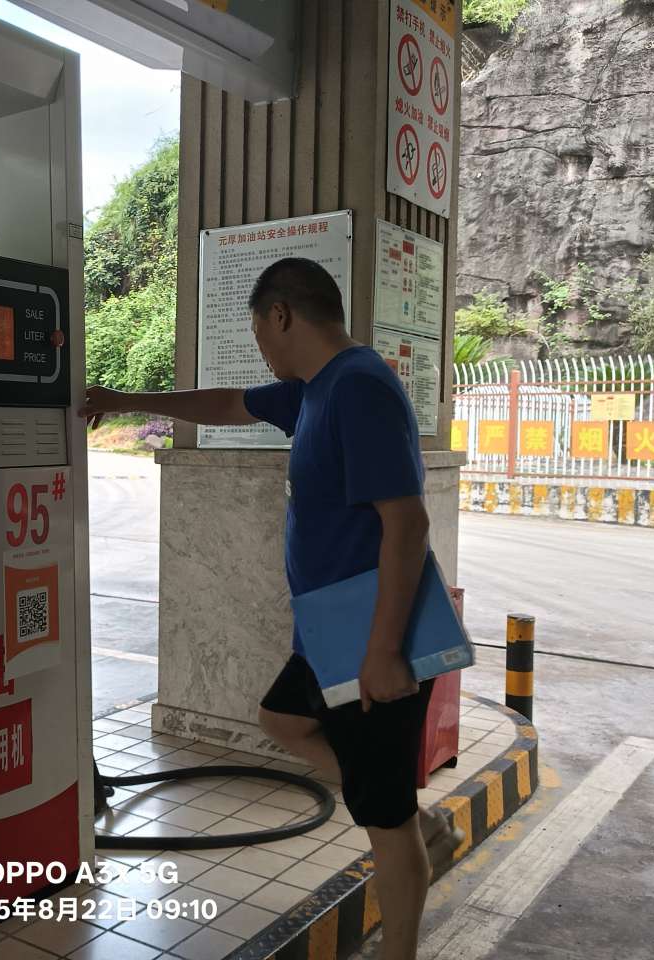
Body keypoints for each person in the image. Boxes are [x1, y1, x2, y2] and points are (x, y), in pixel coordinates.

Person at [80, 257, 462, 960]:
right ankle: (403, 811)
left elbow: (407, 524)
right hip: (329, 631)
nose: (259, 345)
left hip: (372, 633)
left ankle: (401, 917)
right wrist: (127, 398)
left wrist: (383, 652)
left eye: (258, 329)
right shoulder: (312, 391)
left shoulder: (359, 386)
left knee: (385, 828)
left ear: (280, 315)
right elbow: (228, 404)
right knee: (281, 720)